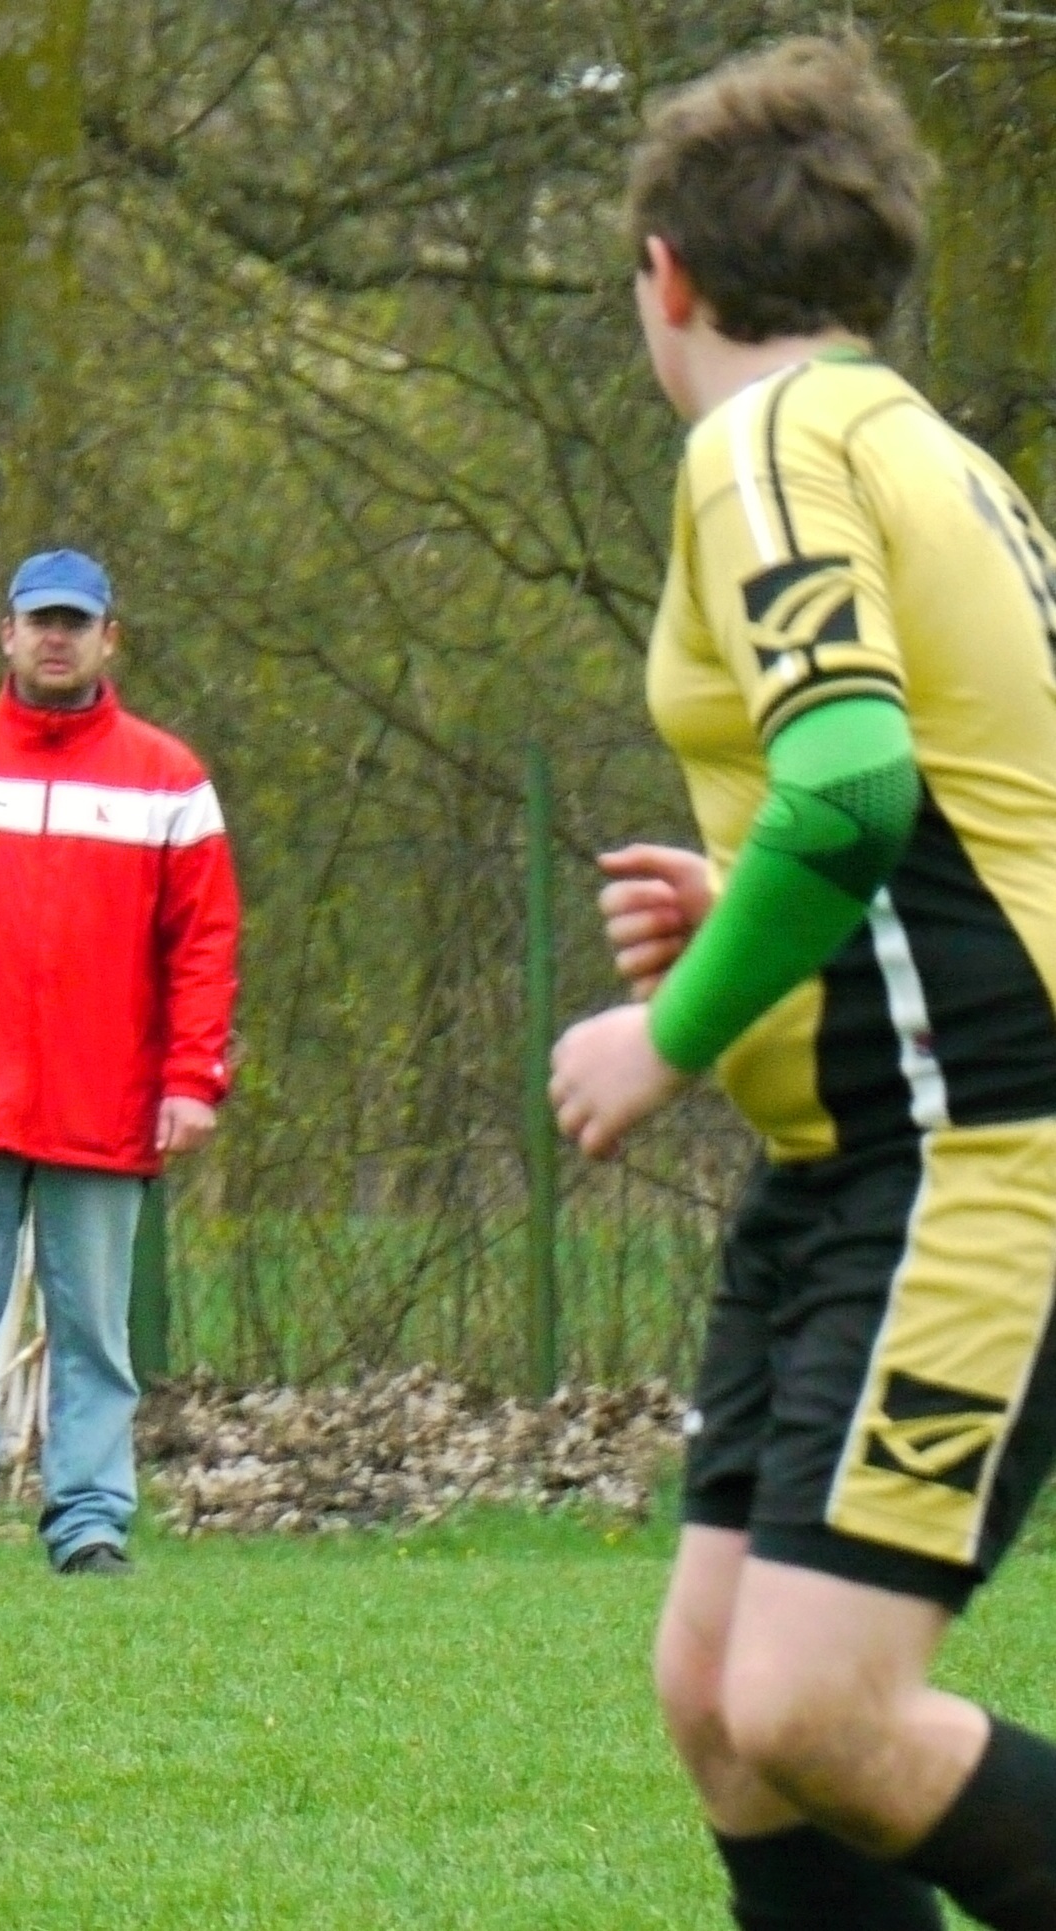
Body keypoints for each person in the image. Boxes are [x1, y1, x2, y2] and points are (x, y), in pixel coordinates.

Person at [549, 36, 1056, 1930]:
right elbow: (960, 812)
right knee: (724, 1705)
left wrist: (666, 1035)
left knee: (814, 1705)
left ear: (666, 273)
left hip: (971, 1143)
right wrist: (760, 910)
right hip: (864, 1145)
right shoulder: (935, 456)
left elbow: (851, 791)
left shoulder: (761, 444)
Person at [0, 546, 240, 1579]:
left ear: (108, 638)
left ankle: (90, 1521)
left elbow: (203, 943)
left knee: (93, 1334)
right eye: (40, 621)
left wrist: (191, 1078)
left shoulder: (168, 778)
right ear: (8, 634)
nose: (55, 639)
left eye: (74, 622)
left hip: (104, 1102)